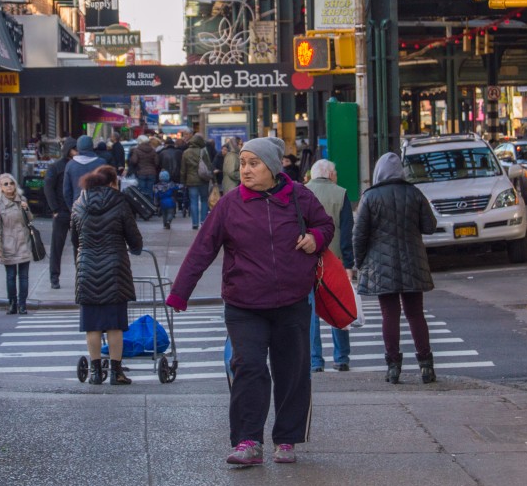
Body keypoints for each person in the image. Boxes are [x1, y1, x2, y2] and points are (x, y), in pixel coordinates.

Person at [167, 136, 334, 466]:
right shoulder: (230, 205)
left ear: (272, 167)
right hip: (244, 306)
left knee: (292, 372)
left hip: (293, 303)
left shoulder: (300, 197)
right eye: (242, 163)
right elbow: (203, 249)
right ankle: (247, 440)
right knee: (249, 367)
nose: (245, 170)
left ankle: (286, 440)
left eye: (253, 163)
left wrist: (315, 239)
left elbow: (325, 225)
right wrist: (180, 292)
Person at [353, 152, 438, 385]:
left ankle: (393, 368)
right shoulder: (414, 193)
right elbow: (430, 226)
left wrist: (360, 264)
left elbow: (359, 235)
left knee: (389, 315)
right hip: (413, 262)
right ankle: (426, 366)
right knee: (415, 314)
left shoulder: (370, 197)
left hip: (381, 265)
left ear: (378, 172)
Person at [71, 165, 143, 386]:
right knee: (115, 325)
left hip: (87, 269)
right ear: (112, 182)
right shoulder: (119, 202)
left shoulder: (78, 204)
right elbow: (135, 240)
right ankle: (116, 373)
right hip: (115, 271)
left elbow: (75, 240)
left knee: (92, 326)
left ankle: (95, 373)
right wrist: (134, 247)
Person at [305, 160, 355, 372]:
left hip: (307, 261)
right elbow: (346, 233)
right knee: (337, 306)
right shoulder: (341, 193)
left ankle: (315, 360)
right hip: (334, 262)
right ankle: (341, 357)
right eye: (335, 172)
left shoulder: (302, 192)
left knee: (312, 312)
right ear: (330, 174)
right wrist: (349, 263)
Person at [0, 173, 33, 315]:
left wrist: (26, 209)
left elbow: (30, 220)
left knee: (24, 276)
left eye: (11, 183)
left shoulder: (22, 200)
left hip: (23, 242)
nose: (9, 186)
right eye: (5, 184)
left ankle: (22, 304)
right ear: (1, 188)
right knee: (10, 276)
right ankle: (12, 303)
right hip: (8, 244)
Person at [43, 138, 76, 290]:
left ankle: (80, 277)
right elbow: (48, 188)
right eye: (74, 149)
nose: (77, 152)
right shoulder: (57, 167)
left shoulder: (75, 165)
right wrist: (55, 209)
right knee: (57, 247)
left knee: (79, 246)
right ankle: (54, 277)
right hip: (62, 211)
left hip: (74, 211)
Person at [180, 134, 212, 230]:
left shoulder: (186, 153)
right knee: (204, 200)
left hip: (191, 180)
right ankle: (203, 221)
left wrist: (183, 181)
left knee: (193, 201)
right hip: (203, 180)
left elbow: (183, 169)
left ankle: (194, 223)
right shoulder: (203, 151)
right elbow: (209, 166)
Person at [63, 136, 104, 211]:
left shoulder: (70, 165)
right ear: (91, 146)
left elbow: (66, 192)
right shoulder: (101, 163)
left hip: (78, 207)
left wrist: (72, 209)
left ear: (78, 147)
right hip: (99, 206)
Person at [128, 134, 160, 199]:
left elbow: (134, 161)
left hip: (141, 172)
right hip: (152, 173)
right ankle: (150, 206)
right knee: (150, 191)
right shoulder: (153, 150)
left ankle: (143, 207)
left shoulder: (136, 150)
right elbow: (157, 162)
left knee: (142, 192)